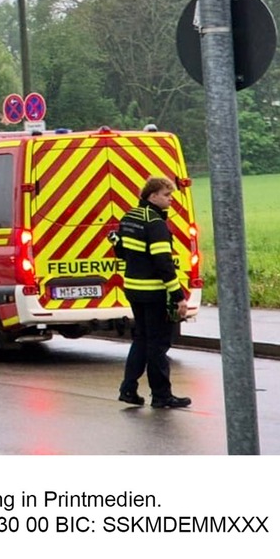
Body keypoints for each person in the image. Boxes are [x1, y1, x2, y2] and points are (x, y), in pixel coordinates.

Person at [112, 175, 191, 409]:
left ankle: (128, 388)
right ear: (152, 196)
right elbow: (163, 263)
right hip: (154, 292)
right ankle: (161, 395)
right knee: (157, 345)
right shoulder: (155, 223)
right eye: (167, 195)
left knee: (142, 340)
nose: (171, 200)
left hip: (134, 289)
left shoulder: (129, 217)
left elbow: (122, 253)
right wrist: (178, 297)